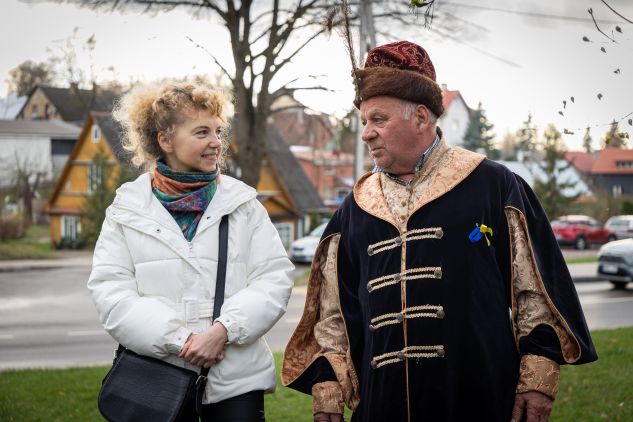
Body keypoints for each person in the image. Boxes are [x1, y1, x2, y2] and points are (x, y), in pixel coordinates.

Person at [281, 41, 597, 422]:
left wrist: (536, 378)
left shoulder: (492, 185)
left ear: (420, 118)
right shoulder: (354, 208)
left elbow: (534, 292)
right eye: (363, 122)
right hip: (382, 407)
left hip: (479, 396)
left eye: (378, 119)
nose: (367, 134)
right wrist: (328, 386)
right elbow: (332, 314)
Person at [88, 81, 294, 421]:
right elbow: (110, 293)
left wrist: (223, 330)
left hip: (235, 381)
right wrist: (181, 339)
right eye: (201, 132)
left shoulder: (244, 205)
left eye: (218, 131)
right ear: (165, 140)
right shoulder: (126, 210)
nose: (216, 142)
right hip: (158, 380)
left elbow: (274, 278)